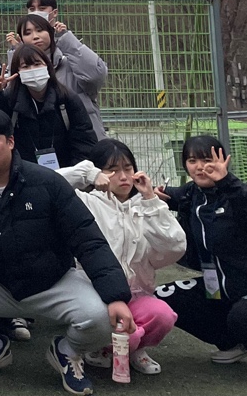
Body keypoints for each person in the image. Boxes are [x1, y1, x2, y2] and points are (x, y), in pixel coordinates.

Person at [0, 107, 133, 396]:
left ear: (10, 142)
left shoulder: (48, 182)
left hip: (51, 283)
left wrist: (116, 296)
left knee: (102, 315)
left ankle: (67, 351)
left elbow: (88, 240)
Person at [155, 135, 247, 384]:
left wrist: (226, 181)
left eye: (207, 160)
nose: (200, 167)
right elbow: (165, 194)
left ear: (223, 161)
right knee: (163, 298)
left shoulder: (240, 194)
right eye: (192, 161)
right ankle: (233, 343)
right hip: (220, 288)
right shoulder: (192, 194)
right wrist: (146, 191)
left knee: (244, 316)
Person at [58, 139, 187, 376]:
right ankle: (99, 348)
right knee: (129, 334)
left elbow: (176, 246)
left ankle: (135, 349)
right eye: (113, 170)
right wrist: (87, 173)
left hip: (137, 293)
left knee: (163, 316)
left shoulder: (146, 206)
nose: (123, 176)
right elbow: (46, 182)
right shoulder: (85, 202)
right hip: (96, 295)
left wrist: (151, 200)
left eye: (128, 168)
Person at [0, 44, 97, 169]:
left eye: (37, 64)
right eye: (25, 66)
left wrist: (75, 172)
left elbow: (84, 140)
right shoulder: (10, 100)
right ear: (17, 72)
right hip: (22, 172)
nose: (32, 69)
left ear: (47, 66)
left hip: (66, 171)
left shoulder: (67, 99)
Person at [7, 11, 110, 139]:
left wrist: (66, 39)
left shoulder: (70, 63)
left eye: (40, 30)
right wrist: (17, 54)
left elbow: (95, 75)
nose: (35, 36)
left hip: (85, 140)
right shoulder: (20, 70)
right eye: (28, 33)